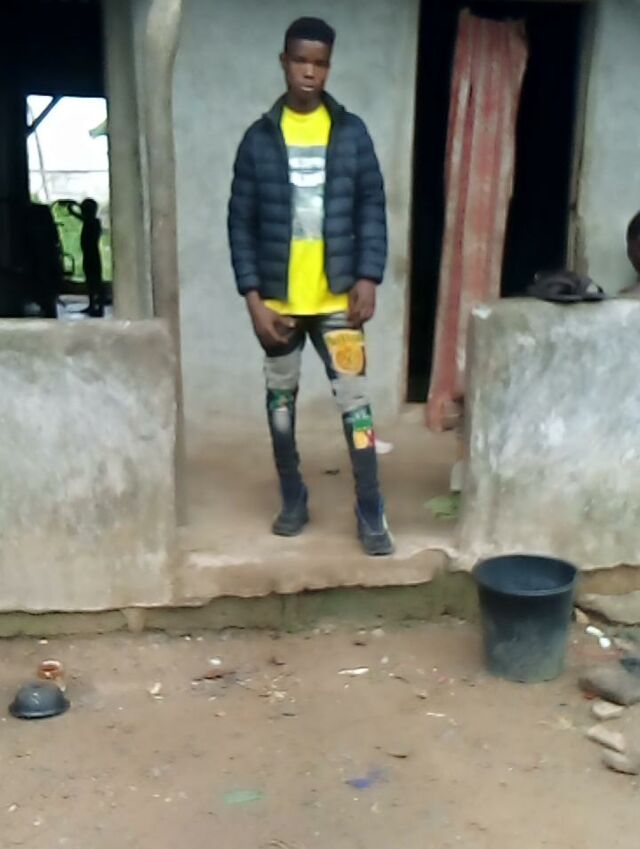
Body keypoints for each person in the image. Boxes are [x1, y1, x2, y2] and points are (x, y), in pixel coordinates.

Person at [227, 16, 393, 555]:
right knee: (280, 409)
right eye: (300, 60)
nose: (309, 72)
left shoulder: (351, 133)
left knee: (357, 408)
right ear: (284, 62)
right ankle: (293, 497)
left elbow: (371, 207)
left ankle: (371, 507)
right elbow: (240, 223)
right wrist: (253, 300)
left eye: (319, 63)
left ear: (329, 67)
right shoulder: (258, 139)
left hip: (339, 301)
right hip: (278, 306)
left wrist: (368, 276)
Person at [67, 198, 104, 317]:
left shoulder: (93, 222)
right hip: (89, 255)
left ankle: (98, 306)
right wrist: (74, 208)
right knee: (91, 280)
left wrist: (73, 208)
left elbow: (84, 218)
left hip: (92, 255)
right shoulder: (91, 221)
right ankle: (93, 304)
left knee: (95, 281)